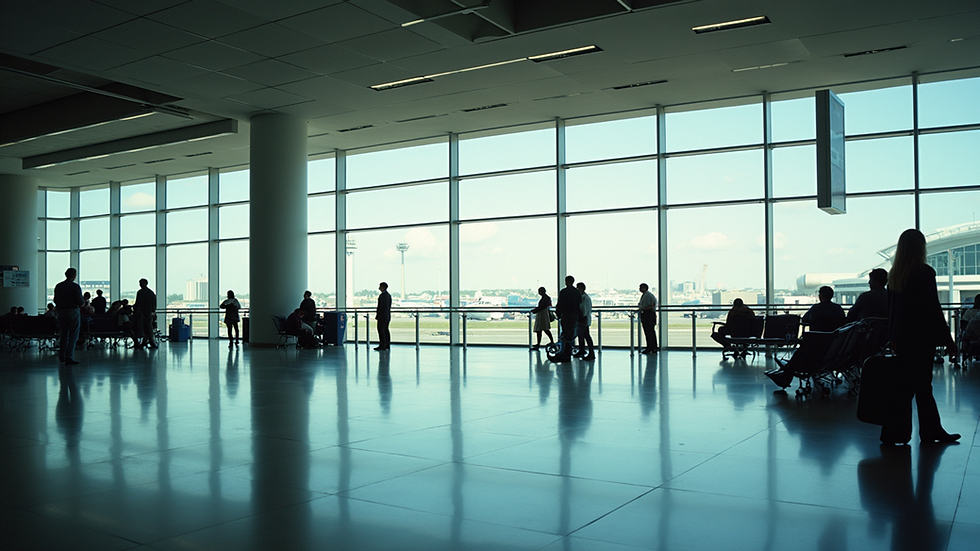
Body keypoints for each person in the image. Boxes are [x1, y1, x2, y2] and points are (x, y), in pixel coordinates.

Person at [881, 228, 959, 445]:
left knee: (903, 388)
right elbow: (932, 308)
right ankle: (931, 430)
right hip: (922, 339)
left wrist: (893, 337)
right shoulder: (924, 272)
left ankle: (894, 433)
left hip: (902, 340)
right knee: (924, 386)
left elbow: (893, 312)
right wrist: (948, 340)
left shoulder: (894, 276)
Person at [54, 267, 84, 365]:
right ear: (74, 276)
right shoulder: (75, 287)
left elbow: (55, 300)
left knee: (63, 334)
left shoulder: (59, 286)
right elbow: (80, 301)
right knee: (73, 335)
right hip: (73, 311)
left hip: (61, 312)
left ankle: (61, 356)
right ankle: (69, 357)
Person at [553, 275, 581, 362]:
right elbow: (579, 303)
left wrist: (558, 313)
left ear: (566, 282)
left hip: (566, 315)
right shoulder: (576, 292)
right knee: (571, 333)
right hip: (574, 315)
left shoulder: (564, 292)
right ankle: (568, 352)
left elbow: (560, 303)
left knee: (565, 333)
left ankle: (565, 352)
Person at [133, 278, 157, 349]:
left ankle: (147, 342)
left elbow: (138, 303)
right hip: (148, 313)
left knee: (143, 327)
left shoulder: (140, 292)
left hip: (142, 313)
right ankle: (148, 341)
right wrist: (152, 311)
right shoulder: (151, 293)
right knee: (148, 328)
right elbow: (154, 304)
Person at [573, 282, 595, 360]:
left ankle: (589, 352)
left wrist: (580, 316)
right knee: (583, 336)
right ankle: (583, 350)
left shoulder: (584, 298)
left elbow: (584, 310)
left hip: (583, 319)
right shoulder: (583, 297)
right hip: (583, 319)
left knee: (585, 336)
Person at [637, 283, 658, 353]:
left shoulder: (647, 296)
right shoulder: (648, 295)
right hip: (649, 315)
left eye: (640, 287)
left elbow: (651, 306)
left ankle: (650, 347)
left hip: (648, 315)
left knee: (648, 332)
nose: (639, 289)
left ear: (644, 288)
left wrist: (642, 308)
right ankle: (653, 347)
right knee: (651, 332)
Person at [375, 282, 391, 351]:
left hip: (382, 316)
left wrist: (378, 315)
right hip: (387, 316)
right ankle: (387, 344)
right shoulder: (388, 295)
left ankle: (382, 345)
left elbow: (380, 307)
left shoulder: (382, 296)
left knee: (381, 330)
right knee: (386, 330)